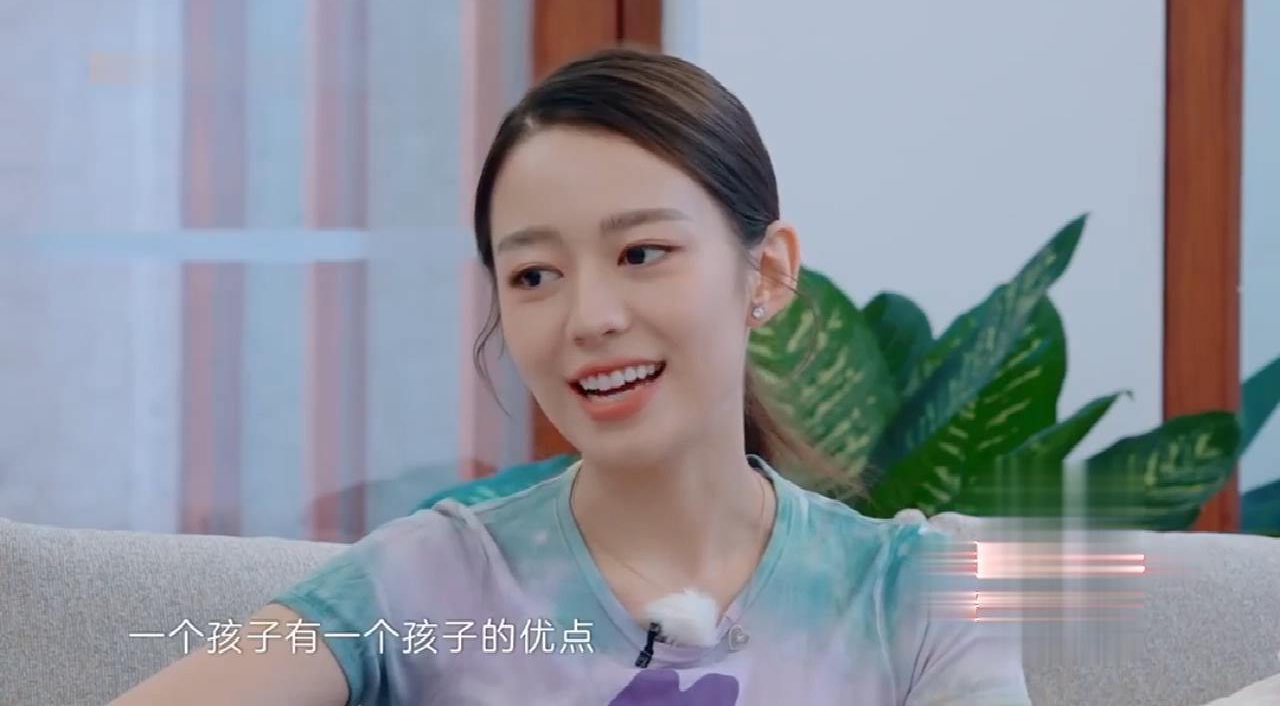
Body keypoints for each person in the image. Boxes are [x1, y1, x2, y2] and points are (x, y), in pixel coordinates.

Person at [113, 48, 1030, 706]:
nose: (588, 318)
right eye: (534, 275)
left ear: (768, 273)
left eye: (641, 253)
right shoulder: (430, 580)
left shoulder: (920, 592)